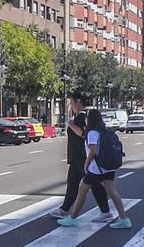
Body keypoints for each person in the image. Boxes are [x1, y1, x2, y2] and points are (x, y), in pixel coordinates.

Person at [55, 109, 131, 229]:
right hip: (108, 167)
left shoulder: (92, 133)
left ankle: (72, 218)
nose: (85, 119)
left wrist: (86, 163)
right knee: (112, 191)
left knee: (82, 190)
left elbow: (93, 150)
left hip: (97, 169)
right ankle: (124, 218)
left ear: (90, 119)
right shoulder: (104, 131)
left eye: (87, 117)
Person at [57, 91, 111, 221]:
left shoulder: (82, 117)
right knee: (73, 184)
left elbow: (83, 134)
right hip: (77, 156)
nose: (71, 105)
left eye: (72, 102)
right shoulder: (85, 115)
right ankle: (64, 210)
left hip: (81, 156)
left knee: (94, 183)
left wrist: (70, 124)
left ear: (78, 102)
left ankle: (106, 212)